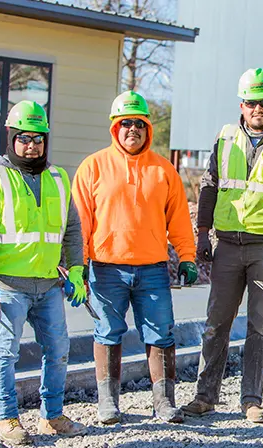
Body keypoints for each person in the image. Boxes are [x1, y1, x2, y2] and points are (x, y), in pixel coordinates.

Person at [181, 68, 263, 423]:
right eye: (251, 103)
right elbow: (209, 185)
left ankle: (252, 399)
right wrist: (203, 233)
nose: (257, 109)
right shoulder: (226, 136)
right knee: (216, 322)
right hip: (228, 245)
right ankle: (205, 396)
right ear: (242, 105)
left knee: (260, 325)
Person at [72, 91, 198, 425]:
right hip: (106, 268)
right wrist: (77, 263)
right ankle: (108, 403)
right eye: (125, 123)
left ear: (147, 128)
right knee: (108, 332)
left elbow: (180, 220)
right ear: (115, 128)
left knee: (160, 334)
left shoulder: (164, 170)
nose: (132, 130)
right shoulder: (93, 167)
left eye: (139, 124)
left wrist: (187, 256)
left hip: (152, 269)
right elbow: (80, 222)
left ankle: (164, 402)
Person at [0, 101, 87, 445]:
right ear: (11, 138)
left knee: (59, 349)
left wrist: (77, 271)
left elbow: (72, 230)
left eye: (38, 139)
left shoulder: (59, 177)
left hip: (50, 284)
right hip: (9, 286)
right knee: (6, 352)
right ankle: (7, 419)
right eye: (24, 138)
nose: (32, 145)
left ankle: (51, 416)